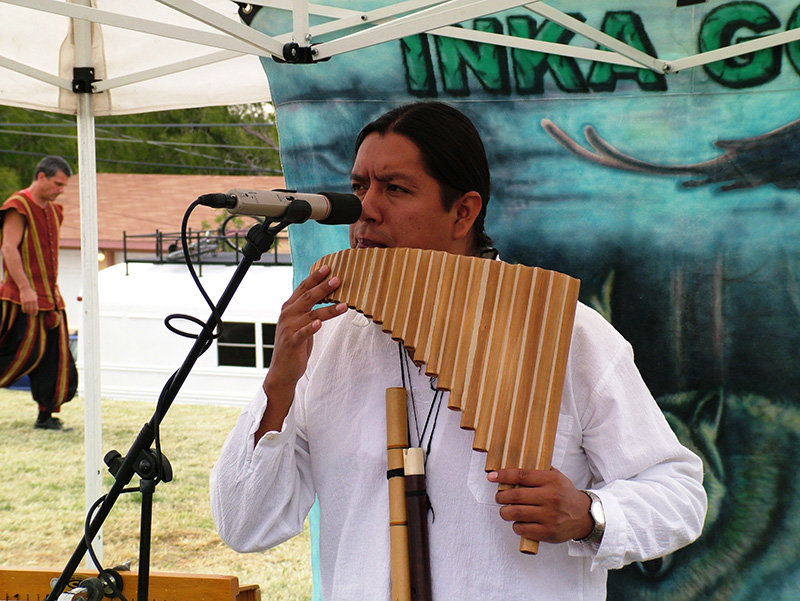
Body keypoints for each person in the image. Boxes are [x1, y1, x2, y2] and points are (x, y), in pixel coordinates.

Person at [210, 102, 707, 600]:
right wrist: (278, 386)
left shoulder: (568, 335)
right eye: (360, 187)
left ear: (463, 212)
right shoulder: (325, 342)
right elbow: (245, 526)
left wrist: (589, 514)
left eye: (395, 189)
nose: (366, 210)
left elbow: (679, 495)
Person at [0, 156, 78, 430]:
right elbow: (8, 248)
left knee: (55, 360)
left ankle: (45, 416)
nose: (60, 190)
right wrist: (25, 289)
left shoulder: (55, 211)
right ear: (41, 177)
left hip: (51, 299)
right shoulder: (17, 205)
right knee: (15, 355)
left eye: (63, 185)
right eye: (57, 183)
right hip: (20, 297)